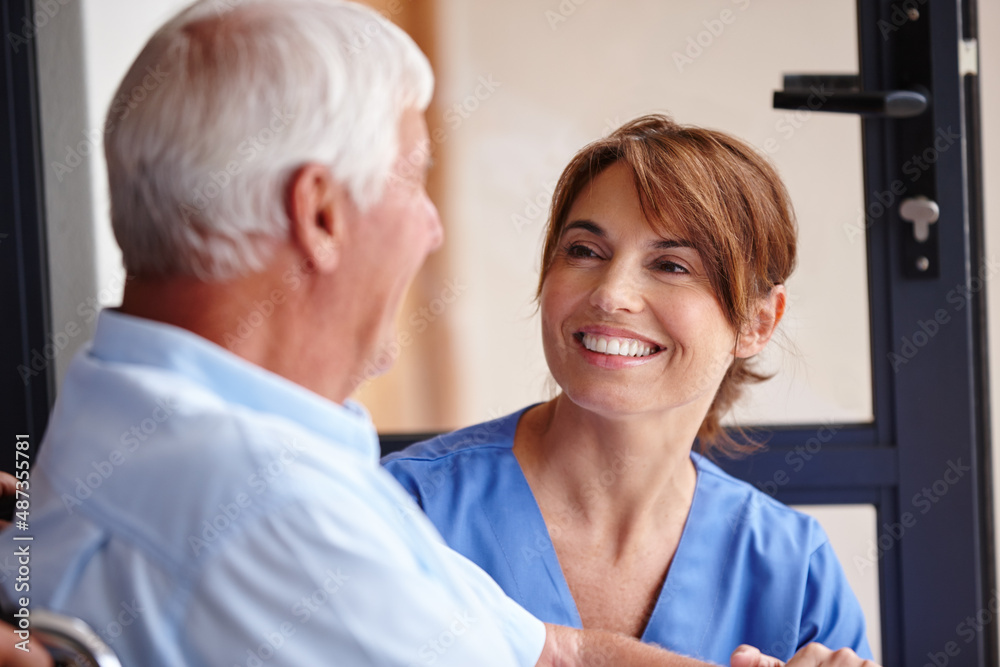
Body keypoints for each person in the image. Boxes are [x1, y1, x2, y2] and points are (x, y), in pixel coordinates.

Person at [0, 0, 877, 664]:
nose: (432, 227)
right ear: (320, 214)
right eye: (413, 181)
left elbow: (549, 650)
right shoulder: (281, 507)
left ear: (760, 319)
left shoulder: (127, 435)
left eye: (672, 264)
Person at [383, 115, 875, 665]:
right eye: (585, 252)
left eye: (671, 265)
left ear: (757, 322)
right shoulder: (405, 508)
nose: (612, 294)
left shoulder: (793, 569)